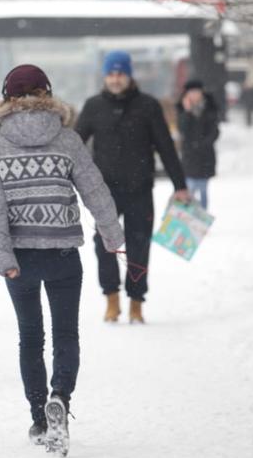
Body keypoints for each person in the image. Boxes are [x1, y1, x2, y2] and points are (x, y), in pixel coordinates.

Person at [0, 64, 124, 456]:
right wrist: (113, 235)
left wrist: (3, 255)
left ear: (6, 98)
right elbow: (95, 189)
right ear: (47, 95)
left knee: (30, 336)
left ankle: (40, 418)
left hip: (20, 258)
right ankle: (60, 396)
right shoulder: (67, 139)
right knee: (66, 335)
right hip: (62, 253)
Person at [75, 51, 190, 324]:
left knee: (139, 247)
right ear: (105, 76)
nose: (116, 79)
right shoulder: (93, 106)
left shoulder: (148, 105)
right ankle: (111, 298)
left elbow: (165, 147)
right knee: (104, 245)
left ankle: (137, 302)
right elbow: (75, 145)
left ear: (129, 76)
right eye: (111, 74)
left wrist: (180, 185)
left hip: (139, 189)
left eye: (120, 74)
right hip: (104, 193)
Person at [176, 79, 220, 209]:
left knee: (203, 190)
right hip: (189, 157)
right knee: (190, 189)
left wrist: (204, 143)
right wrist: (187, 112)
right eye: (191, 92)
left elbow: (215, 131)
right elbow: (182, 129)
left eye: (197, 91)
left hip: (205, 156)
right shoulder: (182, 109)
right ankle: (187, 220)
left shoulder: (210, 108)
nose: (194, 95)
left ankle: (201, 221)